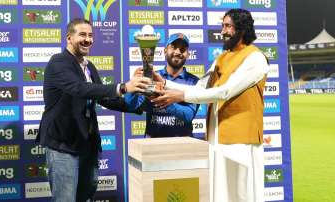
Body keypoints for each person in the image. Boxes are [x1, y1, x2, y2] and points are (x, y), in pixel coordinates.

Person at [152, 9, 269, 202]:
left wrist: (180, 95)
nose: (222, 31)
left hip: (242, 141)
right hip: (217, 139)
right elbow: (200, 87)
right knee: (221, 196)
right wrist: (165, 83)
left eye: (227, 26)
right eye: (222, 26)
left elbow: (225, 92)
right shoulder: (221, 58)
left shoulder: (255, 58)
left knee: (243, 195)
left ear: (242, 28)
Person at [36, 18, 149, 202]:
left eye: (90, 35)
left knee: (85, 197)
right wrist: (123, 87)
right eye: (82, 34)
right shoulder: (58, 62)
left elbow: (104, 97)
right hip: (63, 146)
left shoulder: (89, 66)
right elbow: (79, 89)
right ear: (69, 38)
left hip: (87, 145)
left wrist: (138, 102)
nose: (87, 39)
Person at [125, 33, 199, 137]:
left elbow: (188, 115)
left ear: (188, 54)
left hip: (182, 145)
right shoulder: (152, 77)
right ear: (165, 51)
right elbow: (132, 105)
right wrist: (132, 87)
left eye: (182, 49)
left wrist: (165, 100)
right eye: (173, 47)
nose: (178, 52)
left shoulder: (194, 82)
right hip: (153, 144)